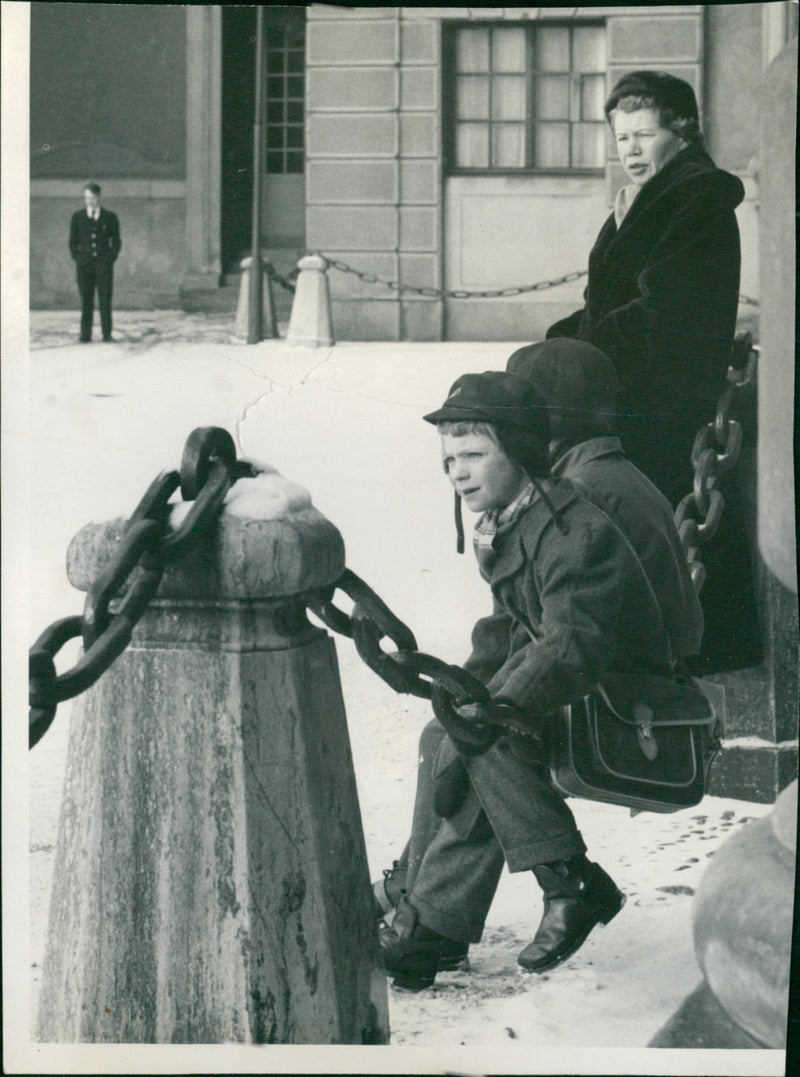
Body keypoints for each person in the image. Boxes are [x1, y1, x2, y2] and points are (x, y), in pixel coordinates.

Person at [376, 363, 705, 991]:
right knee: (444, 734)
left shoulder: (570, 530)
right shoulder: (516, 517)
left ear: (521, 452)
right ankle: (432, 922)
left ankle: (565, 882)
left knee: (487, 740)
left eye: (473, 454)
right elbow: (506, 627)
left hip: (627, 697)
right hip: (583, 682)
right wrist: (459, 690)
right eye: (449, 461)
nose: (458, 472)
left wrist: (492, 707)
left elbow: (572, 642)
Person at [542, 71, 758, 673]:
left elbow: (662, 311)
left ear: (682, 133)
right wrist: (559, 343)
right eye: (620, 139)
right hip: (630, 387)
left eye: (643, 135)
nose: (629, 150)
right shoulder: (644, 200)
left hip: (663, 399)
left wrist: (577, 352)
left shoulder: (696, 201)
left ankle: (674, 664)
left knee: (660, 531)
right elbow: (606, 302)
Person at [69, 182, 122, 343]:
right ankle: (85, 335)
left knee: (105, 301)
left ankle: (107, 335)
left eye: (92, 198)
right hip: (84, 266)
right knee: (86, 301)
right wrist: (78, 258)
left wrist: (109, 259)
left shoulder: (110, 217)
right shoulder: (77, 217)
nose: (89, 201)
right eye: (86, 198)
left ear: (99, 197)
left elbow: (117, 241)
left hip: (103, 267)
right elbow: (73, 242)